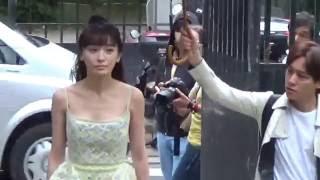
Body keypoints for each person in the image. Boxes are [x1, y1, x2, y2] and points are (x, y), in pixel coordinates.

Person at [180, 25, 320, 180]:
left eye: (302, 76)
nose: (292, 80)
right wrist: (196, 60)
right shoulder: (270, 107)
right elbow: (222, 93)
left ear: (317, 82)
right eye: (290, 71)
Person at [47, 16, 149, 180]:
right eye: (93, 50)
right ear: (81, 54)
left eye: (109, 50)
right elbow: (55, 156)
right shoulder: (62, 98)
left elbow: (140, 157)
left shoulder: (133, 97)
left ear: (118, 56)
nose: (101, 58)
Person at [153, 11, 199, 180]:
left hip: (185, 133)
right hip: (164, 129)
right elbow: (157, 82)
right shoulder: (166, 58)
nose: (183, 36)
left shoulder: (198, 64)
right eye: (179, 31)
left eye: (188, 31)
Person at [171, 83, 202, 180]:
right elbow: (191, 104)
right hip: (192, 142)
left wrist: (192, 106)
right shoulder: (200, 79)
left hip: (202, 145)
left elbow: (219, 110)